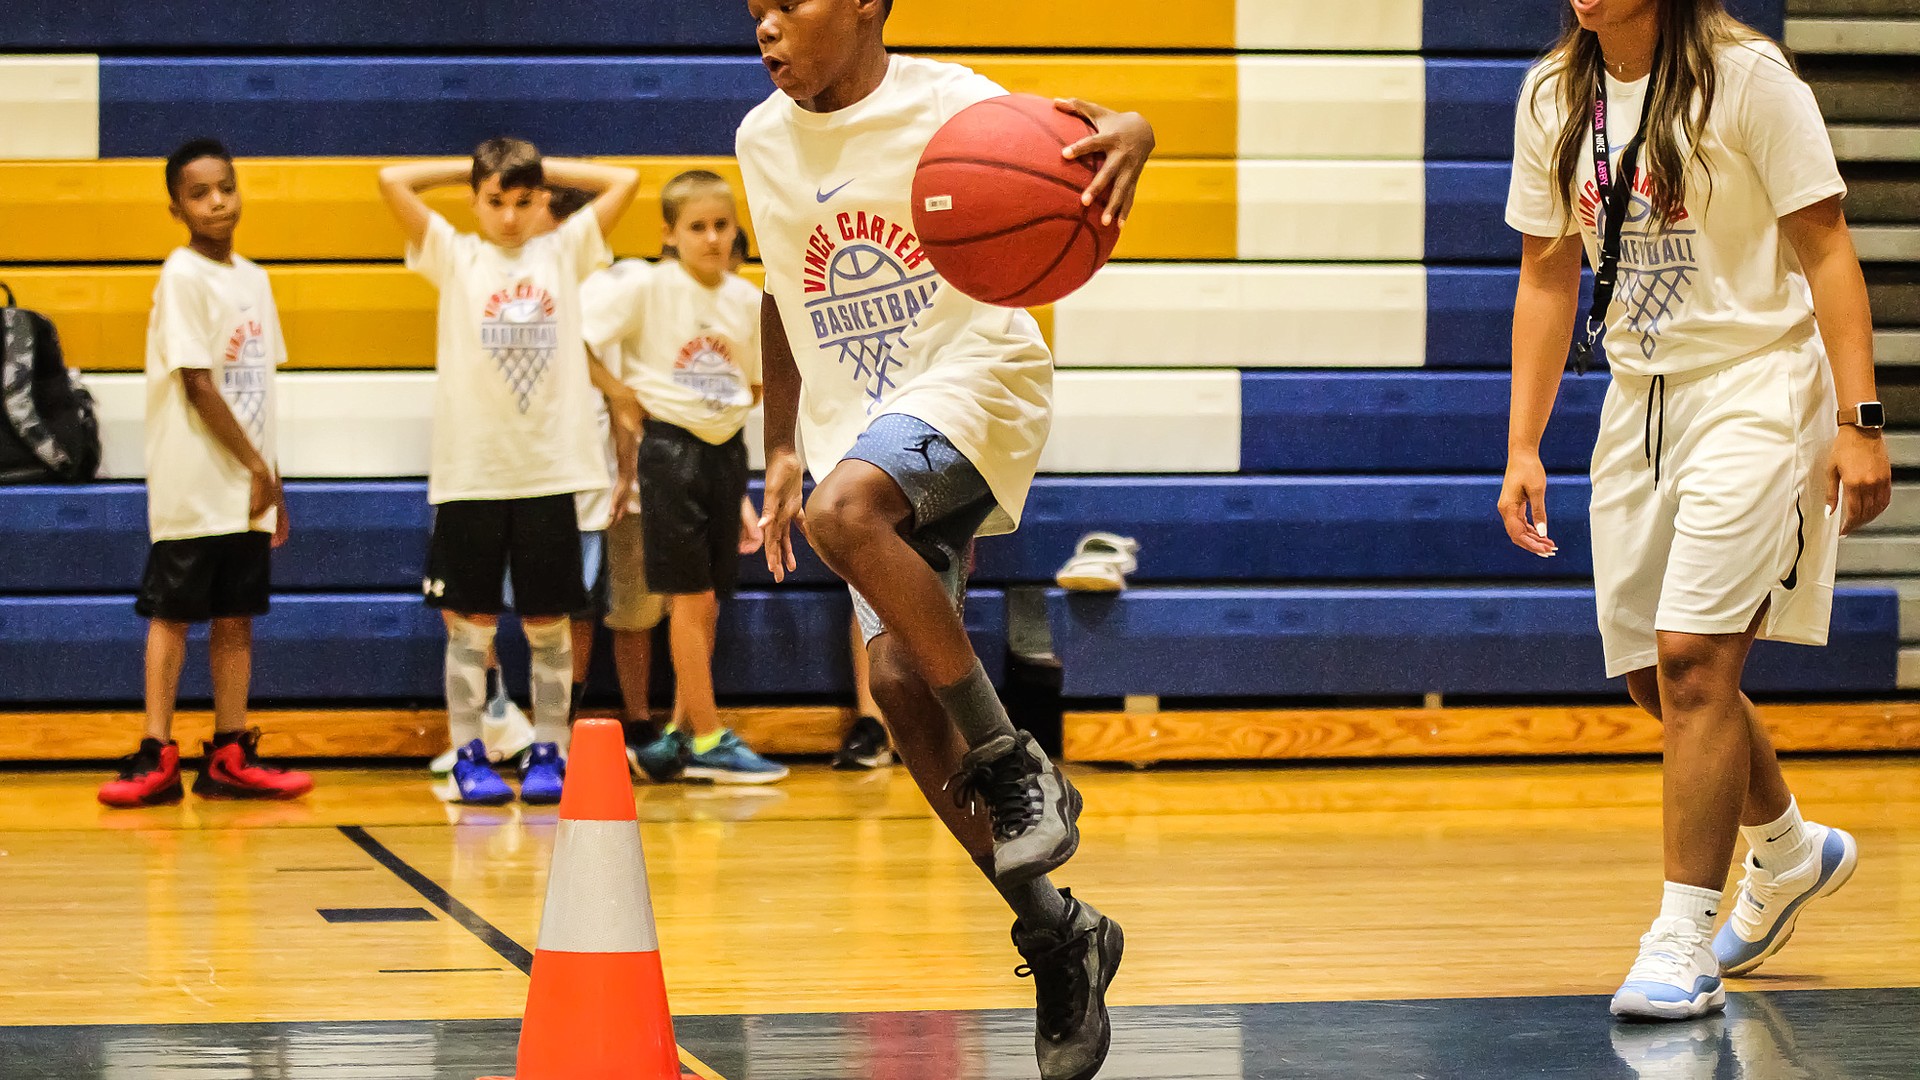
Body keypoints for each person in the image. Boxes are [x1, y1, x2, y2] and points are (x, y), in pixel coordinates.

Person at [737, 1, 1155, 1075]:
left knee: (846, 515)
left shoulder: (949, 100)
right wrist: (781, 444)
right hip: (852, 430)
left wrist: (1138, 135)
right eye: (755, 14)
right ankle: (1060, 933)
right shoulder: (758, 139)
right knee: (895, 687)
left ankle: (1017, 763)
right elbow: (783, 299)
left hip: (975, 387)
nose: (769, 30)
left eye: (790, 5)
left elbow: (1107, 133)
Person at [1500, 0, 1891, 1022]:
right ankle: (1790, 852)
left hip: (1757, 385)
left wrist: (1861, 421)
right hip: (1638, 398)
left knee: (1695, 660)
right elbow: (1547, 273)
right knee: (1648, 676)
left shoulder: (1749, 77)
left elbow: (1828, 246)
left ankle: (1681, 938)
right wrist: (1522, 443)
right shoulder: (1554, 93)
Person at [378, 139, 639, 805]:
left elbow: (624, 178)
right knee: (471, 626)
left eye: (524, 201)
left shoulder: (564, 251)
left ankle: (550, 751)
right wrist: (475, 166)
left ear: (544, 199)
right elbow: (392, 178)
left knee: (549, 625)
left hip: (549, 472)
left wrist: (535, 168)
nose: (510, 215)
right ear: (475, 200)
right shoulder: (456, 254)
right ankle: (470, 753)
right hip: (472, 473)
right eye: (495, 201)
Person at [100, 138, 315, 808]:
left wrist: (272, 479)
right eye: (200, 193)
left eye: (225, 187)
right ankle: (155, 748)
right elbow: (198, 383)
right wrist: (257, 468)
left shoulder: (254, 278)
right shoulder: (182, 276)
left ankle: (228, 750)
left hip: (247, 489)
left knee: (236, 618)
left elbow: (259, 389)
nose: (217, 201)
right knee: (173, 616)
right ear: (176, 208)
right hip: (195, 485)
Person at [590, 170, 786, 785]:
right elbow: (581, 339)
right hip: (669, 451)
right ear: (669, 233)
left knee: (709, 601)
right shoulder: (648, 288)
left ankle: (676, 734)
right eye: (696, 227)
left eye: (721, 226)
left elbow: (757, 383)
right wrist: (621, 394)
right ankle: (706, 736)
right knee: (689, 597)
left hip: (724, 451)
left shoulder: (747, 300)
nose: (710, 238)